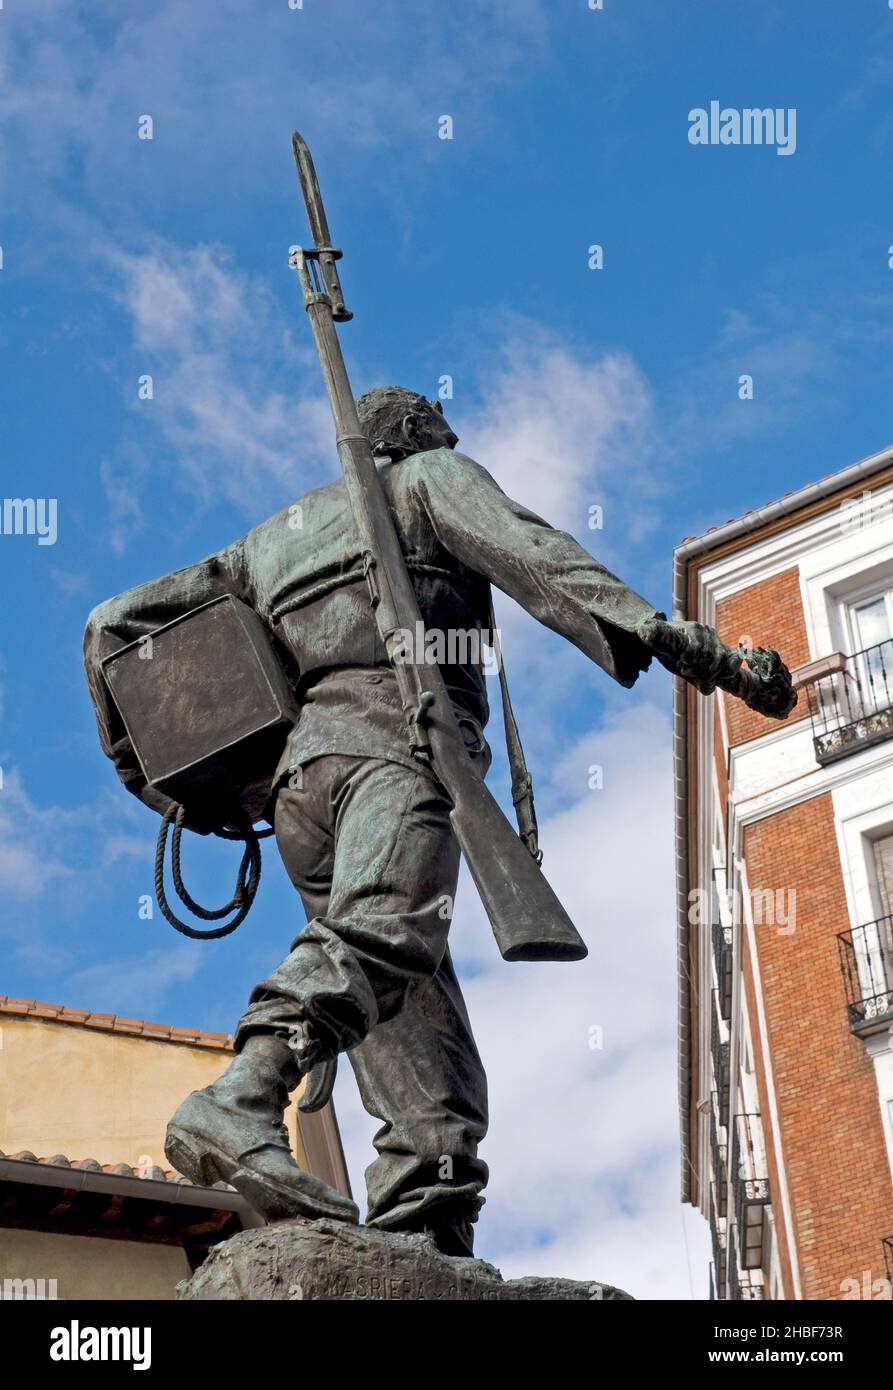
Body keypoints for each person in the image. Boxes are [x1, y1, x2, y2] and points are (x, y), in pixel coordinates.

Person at [84, 386, 795, 1256]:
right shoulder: (426, 480)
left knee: (413, 1018)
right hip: (401, 741)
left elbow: (111, 626)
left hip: (300, 788)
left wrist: (170, 793)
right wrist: (684, 642)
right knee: (391, 931)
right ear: (419, 436)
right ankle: (244, 1093)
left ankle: (426, 1219)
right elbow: (540, 559)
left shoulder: (267, 541)